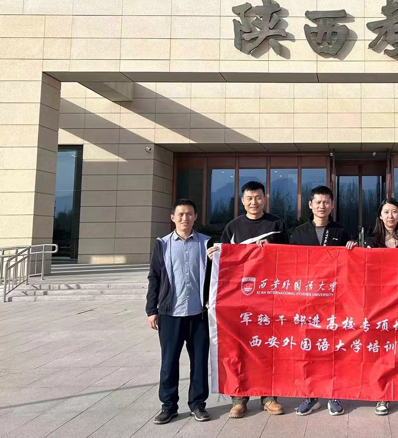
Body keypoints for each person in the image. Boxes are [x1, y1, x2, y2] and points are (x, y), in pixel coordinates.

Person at [206, 180, 289, 418]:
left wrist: (272, 248)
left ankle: (269, 397)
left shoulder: (276, 224)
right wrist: (214, 257)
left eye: (258, 197)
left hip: (270, 297)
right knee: (240, 348)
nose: (254, 202)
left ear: (265, 198)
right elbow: (226, 262)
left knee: (268, 347)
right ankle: (239, 398)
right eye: (249, 198)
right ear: (242, 201)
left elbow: (289, 256)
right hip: (241, 299)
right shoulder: (233, 227)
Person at [290, 185, 357, 417]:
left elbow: (351, 264)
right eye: (318, 202)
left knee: (334, 348)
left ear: (332, 205)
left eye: (326, 202)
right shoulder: (299, 233)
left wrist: (352, 247)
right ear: (310, 205)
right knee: (309, 349)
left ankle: (334, 393)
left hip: (335, 300)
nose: (322, 206)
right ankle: (310, 395)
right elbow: (289, 264)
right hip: (307, 300)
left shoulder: (340, 230)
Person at [146, 198, 211, 425]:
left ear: (195, 217)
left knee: (199, 362)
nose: (185, 218)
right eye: (181, 214)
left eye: (189, 214)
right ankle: (168, 406)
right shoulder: (162, 244)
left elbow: (216, 275)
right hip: (170, 314)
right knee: (169, 362)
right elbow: (154, 277)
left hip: (198, 314)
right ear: (172, 217)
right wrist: (151, 309)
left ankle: (198, 404)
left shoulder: (206, 243)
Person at [354, 198, 398, 416]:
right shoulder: (371, 242)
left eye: (394, 212)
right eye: (386, 212)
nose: (390, 216)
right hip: (379, 304)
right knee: (381, 350)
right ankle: (382, 395)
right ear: (380, 216)